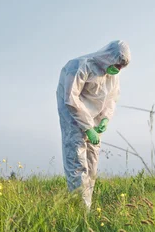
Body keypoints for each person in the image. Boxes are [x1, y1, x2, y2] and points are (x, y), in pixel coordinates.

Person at [56, 40, 131, 210]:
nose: (118, 69)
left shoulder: (112, 75)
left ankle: (86, 210)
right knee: (77, 165)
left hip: (95, 125)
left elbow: (112, 99)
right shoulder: (79, 66)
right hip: (74, 122)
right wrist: (87, 127)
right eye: (117, 64)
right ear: (108, 56)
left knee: (91, 166)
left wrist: (104, 119)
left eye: (121, 67)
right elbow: (71, 99)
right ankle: (80, 214)